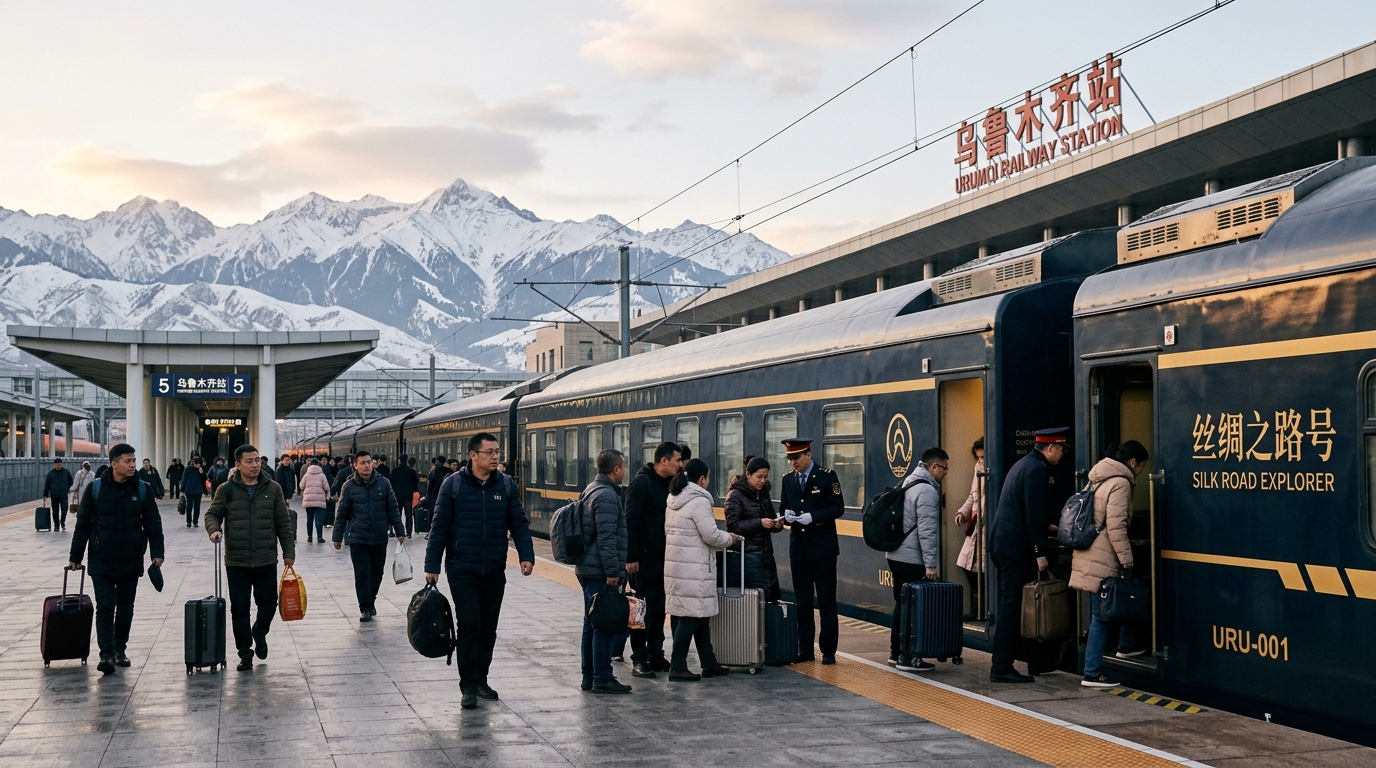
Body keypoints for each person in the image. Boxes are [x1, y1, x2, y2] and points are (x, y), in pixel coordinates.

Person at [425, 433, 535, 710]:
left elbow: (518, 523)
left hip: (494, 569)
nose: (495, 456)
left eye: (497, 451)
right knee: (469, 623)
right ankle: (468, 685)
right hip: (462, 567)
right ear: (473, 455)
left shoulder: (506, 485)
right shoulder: (453, 485)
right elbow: (439, 527)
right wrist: (432, 566)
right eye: (489, 452)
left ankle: (481, 679)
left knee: (488, 628)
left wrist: (526, 555)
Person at [67, 443, 164, 674]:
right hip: (101, 558)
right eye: (127, 461)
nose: (132, 465)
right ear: (114, 464)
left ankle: (120, 649)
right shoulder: (95, 488)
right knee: (105, 605)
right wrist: (75, 556)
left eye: (134, 461)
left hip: (131, 557)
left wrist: (157, 553)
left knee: (125, 608)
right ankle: (106, 654)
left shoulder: (142, 489)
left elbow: (153, 522)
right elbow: (83, 524)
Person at [204, 445, 295, 671]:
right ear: (238, 465)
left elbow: (283, 524)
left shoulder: (273, 488)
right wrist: (214, 529)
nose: (255, 465)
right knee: (239, 608)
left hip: (266, 558)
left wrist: (288, 553)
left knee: (269, 604)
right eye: (249, 461)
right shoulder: (226, 490)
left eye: (257, 460)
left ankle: (260, 631)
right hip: (237, 560)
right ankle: (245, 653)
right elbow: (212, 514)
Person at [987, 427, 1067, 683]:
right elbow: (1033, 515)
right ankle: (1001, 667)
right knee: (1011, 608)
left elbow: (1027, 512)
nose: (1063, 454)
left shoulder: (1025, 464)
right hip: (1013, 548)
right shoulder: (1036, 470)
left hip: (1004, 544)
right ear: (1050, 448)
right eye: (1061, 449)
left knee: (1015, 606)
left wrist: (1048, 527)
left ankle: (1030, 660)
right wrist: (1040, 553)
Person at [1073, 441, 1149, 688]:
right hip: (1105, 555)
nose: (1141, 472)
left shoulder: (1097, 479)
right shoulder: (1121, 483)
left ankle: (1125, 645)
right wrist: (1127, 559)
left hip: (1090, 552)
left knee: (1107, 608)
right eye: (1142, 466)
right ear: (1132, 462)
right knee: (1102, 615)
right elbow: (1116, 527)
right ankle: (1092, 672)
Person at [665, 458, 742, 681]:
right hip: (694, 568)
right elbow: (711, 535)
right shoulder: (699, 501)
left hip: (678, 565)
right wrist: (731, 538)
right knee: (690, 617)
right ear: (701, 479)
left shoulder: (674, 498)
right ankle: (677, 666)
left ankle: (709, 663)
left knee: (697, 616)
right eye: (707, 478)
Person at [778, 439, 846, 664]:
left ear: (808, 455)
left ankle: (828, 651)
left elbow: (838, 507)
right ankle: (805, 649)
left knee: (826, 601)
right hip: (799, 549)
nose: (793, 462)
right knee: (803, 601)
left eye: (796, 458)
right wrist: (787, 517)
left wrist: (814, 517)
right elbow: (784, 508)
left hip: (823, 549)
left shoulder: (827, 476)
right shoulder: (788, 479)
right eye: (790, 459)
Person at [885, 447, 948, 673]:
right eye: (944, 468)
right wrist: (930, 565)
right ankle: (910, 658)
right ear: (933, 466)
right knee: (914, 608)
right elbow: (927, 532)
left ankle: (896, 653)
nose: (945, 473)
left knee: (902, 606)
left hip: (896, 554)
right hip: (912, 558)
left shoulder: (907, 482)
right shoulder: (927, 490)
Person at [623, 441, 682, 678]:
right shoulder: (642, 483)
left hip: (663, 558)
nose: (680, 465)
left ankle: (655, 654)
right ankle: (639, 658)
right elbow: (631, 521)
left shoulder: (669, 484)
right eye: (677, 460)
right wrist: (631, 557)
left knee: (659, 610)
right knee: (641, 610)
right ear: (663, 461)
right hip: (644, 559)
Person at [577, 449, 631, 694]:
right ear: (616, 469)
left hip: (589, 567)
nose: (624, 471)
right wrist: (612, 572)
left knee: (592, 622)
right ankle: (602, 677)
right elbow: (607, 537)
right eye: (623, 467)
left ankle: (589, 676)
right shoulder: (607, 495)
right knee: (604, 624)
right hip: (599, 569)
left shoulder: (591, 489)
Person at [332, 451, 405, 622]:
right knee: (362, 573)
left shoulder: (384, 483)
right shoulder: (349, 487)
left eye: (368, 462)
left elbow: (393, 509)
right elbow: (342, 513)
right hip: (358, 537)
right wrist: (337, 536)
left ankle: (371, 601)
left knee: (377, 573)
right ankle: (365, 607)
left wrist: (400, 531)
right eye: (362, 463)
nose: (366, 466)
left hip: (379, 536)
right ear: (355, 465)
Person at [723, 456, 783, 601]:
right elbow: (733, 525)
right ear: (748, 474)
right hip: (747, 558)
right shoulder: (735, 495)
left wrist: (776, 524)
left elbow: (769, 516)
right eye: (759, 477)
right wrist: (760, 523)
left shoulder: (763, 493)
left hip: (766, 556)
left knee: (770, 598)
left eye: (766, 477)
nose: (763, 481)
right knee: (755, 601)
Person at [954, 438, 986, 601]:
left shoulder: (992, 470)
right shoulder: (978, 468)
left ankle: (982, 603)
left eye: (983, 457)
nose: (980, 460)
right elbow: (973, 496)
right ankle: (977, 600)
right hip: (976, 523)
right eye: (978, 457)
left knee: (983, 568)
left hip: (986, 524)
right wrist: (962, 512)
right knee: (967, 564)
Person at [300, 459, 331, 543]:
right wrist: (327, 495)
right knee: (319, 520)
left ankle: (309, 537)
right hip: (319, 500)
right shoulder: (322, 475)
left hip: (308, 500)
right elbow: (326, 487)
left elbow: (301, 486)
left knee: (309, 519)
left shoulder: (306, 475)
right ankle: (319, 537)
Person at [390, 455, 420, 537]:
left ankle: (399, 532)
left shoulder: (395, 470)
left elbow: (391, 482)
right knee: (409, 515)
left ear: (399, 460)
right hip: (408, 496)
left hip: (397, 495)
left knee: (398, 514)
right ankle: (409, 532)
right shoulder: (411, 471)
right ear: (407, 461)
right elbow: (415, 483)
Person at [43, 458, 75, 531]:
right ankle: (56, 525)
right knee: (55, 511)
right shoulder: (50, 474)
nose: (58, 466)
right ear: (54, 465)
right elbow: (47, 485)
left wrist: (68, 489)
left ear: (61, 464)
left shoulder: (66, 472)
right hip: (54, 495)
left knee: (65, 509)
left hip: (64, 495)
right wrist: (45, 495)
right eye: (56, 465)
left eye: (59, 464)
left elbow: (71, 482)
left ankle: (62, 522)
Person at [424, 455, 450, 534]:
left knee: (433, 514)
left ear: (437, 462)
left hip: (435, 496)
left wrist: (428, 498)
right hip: (446, 496)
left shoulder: (434, 472)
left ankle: (431, 531)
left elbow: (430, 487)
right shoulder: (448, 471)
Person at [275, 456, 299, 540]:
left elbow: (292, 481)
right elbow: (278, 483)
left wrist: (293, 490)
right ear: (281, 461)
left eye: (288, 460)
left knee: (288, 511)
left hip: (288, 493)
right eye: (285, 460)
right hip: (282, 494)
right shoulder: (279, 470)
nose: (287, 461)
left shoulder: (290, 470)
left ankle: (289, 531)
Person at [182, 459, 206, 528]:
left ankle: (195, 521)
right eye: (195, 463)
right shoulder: (188, 469)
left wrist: (201, 473)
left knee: (197, 507)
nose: (197, 465)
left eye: (198, 464)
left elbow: (204, 479)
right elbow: (184, 479)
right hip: (189, 490)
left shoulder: (201, 470)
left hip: (198, 491)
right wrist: (182, 490)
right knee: (189, 507)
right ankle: (189, 521)